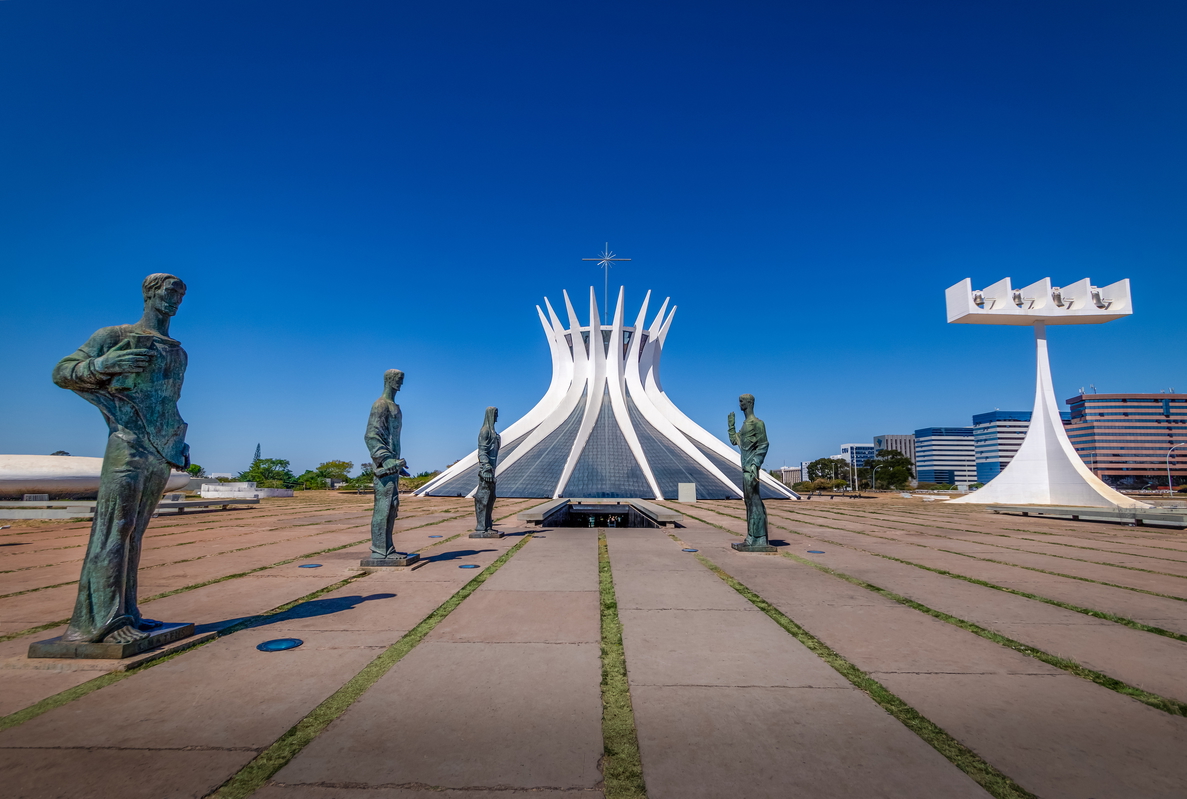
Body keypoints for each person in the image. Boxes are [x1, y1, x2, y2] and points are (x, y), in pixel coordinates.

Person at [53, 274, 190, 644]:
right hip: (126, 444)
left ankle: (127, 611)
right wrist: (104, 365)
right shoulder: (114, 337)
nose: (175, 299)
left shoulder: (177, 352)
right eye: (169, 291)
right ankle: (100, 623)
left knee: (134, 534)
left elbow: (167, 403)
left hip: (160, 450)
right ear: (150, 293)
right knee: (115, 530)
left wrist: (177, 440)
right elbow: (63, 372)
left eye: (181, 294)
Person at [365, 369, 408, 559]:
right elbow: (371, 435)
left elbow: (392, 438)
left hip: (393, 466)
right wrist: (385, 459)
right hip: (384, 467)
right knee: (383, 506)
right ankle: (379, 550)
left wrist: (397, 464)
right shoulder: (380, 405)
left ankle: (387, 548)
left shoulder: (396, 407)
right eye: (398, 380)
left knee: (392, 505)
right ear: (389, 380)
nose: (401, 383)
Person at [728, 393, 770, 548]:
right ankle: (752, 537)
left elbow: (764, 444)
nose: (739, 404)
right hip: (745, 468)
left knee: (754, 501)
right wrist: (731, 426)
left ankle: (759, 538)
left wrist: (755, 464)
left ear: (749, 403)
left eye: (741, 401)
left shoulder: (758, 424)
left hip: (751, 469)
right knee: (749, 502)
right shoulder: (745, 425)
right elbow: (735, 441)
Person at [474, 407, 500, 534]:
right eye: (495, 414)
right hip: (486, 471)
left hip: (492, 470)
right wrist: (486, 468)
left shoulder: (494, 433)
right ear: (490, 415)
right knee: (483, 498)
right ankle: (481, 527)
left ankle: (488, 525)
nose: (497, 417)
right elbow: (482, 452)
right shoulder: (485, 432)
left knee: (491, 498)